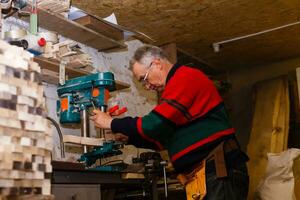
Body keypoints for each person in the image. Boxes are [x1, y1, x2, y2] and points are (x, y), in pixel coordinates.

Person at [90, 45, 249, 200]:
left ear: (157, 64)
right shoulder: (176, 88)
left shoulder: (185, 77)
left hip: (219, 171)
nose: (147, 86)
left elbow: (153, 125)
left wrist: (111, 123)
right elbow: (164, 139)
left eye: (144, 79)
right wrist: (130, 138)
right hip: (206, 174)